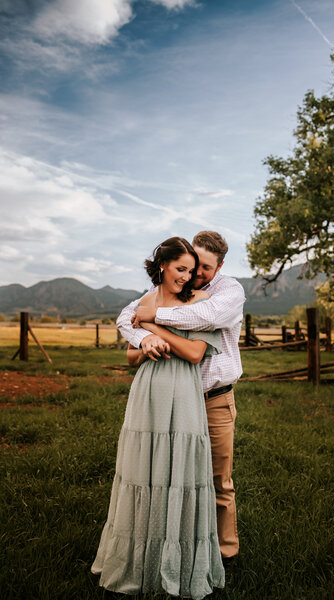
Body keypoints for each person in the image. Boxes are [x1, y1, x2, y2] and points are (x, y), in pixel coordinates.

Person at [91, 237, 225, 599]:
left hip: (182, 390)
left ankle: (179, 565)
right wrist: (143, 343)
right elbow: (131, 359)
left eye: (192, 270)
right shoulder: (145, 301)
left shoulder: (200, 302)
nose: (187, 277)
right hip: (148, 390)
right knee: (144, 472)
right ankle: (138, 561)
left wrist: (154, 330)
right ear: (162, 265)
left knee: (178, 470)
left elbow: (196, 353)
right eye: (181, 269)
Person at [117, 231, 245, 578]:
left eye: (203, 267)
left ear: (219, 266)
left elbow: (205, 320)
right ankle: (169, 544)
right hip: (172, 399)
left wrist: (152, 318)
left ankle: (224, 554)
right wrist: (143, 334)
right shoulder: (172, 292)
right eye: (189, 266)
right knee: (167, 473)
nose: (194, 274)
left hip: (214, 398)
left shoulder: (226, 294)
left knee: (218, 480)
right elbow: (127, 316)